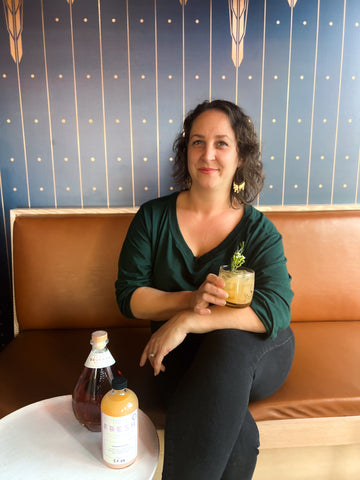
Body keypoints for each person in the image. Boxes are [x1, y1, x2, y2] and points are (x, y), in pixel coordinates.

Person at [116, 99, 295, 479]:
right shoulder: (153, 218)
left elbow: (277, 308)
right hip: (182, 357)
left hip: (258, 350)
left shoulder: (259, 231)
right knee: (239, 438)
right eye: (197, 142)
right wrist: (189, 301)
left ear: (241, 155)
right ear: (186, 152)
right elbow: (129, 296)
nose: (208, 154)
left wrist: (188, 322)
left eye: (221, 143)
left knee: (229, 342)